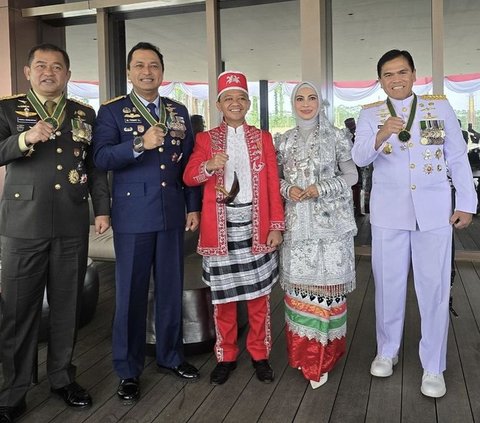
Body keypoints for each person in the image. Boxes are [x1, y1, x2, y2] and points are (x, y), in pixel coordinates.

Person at [352, 49, 477, 398]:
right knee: (388, 285)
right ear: (380, 80)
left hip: (434, 211)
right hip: (389, 214)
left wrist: (466, 203)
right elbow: (359, 157)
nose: (396, 79)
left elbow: (455, 155)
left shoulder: (439, 108)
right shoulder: (370, 114)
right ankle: (387, 350)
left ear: (413, 74)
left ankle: (433, 366)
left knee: (434, 289)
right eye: (388, 74)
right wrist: (380, 136)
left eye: (402, 72)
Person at [0, 43, 110, 421]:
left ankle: (62, 377)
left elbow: (94, 168)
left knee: (67, 305)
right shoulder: (8, 109)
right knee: (18, 309)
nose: (50, 72)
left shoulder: (83, 113)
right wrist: (24, 139)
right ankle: (14, 389)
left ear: (67, 74)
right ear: (28, 71)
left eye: (58, 66)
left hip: (71, 221)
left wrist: (103, 211)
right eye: (41, 65)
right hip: (23, 223)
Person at [93, 42, 202, 404]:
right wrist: (139, 142)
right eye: (139, 65)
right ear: (129, 72)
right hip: (133, 215)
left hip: (171, 213)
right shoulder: (112, 111)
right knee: (130, 294)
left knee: (170, 289)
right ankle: (128, 369)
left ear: (162, 71)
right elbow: (102, 157)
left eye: (153, 65)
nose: (147, 71)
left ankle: (171, 357)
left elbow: (186, 165)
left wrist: (192, 205)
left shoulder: (178, 110)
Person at [183, 71, 285, 385]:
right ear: (219, 104)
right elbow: (188, 177)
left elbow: (271, 182)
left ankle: (259, 354)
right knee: (223, 301)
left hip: (256, 227)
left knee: (258, 299)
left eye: (241, 97)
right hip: (220, 230)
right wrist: (208, 166)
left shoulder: (262, 137)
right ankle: (225, 355)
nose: (235, 103)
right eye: (228, 98)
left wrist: (276, 225)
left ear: (249, 103)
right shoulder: (205, 139)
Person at [275, 82, 357, 389]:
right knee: (300, 294)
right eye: (300, 98)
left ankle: (325, 359)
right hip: (298, 227)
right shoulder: (283, 141)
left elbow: (352, 175)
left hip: (332, 228)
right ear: (293, 103)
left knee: (329, 293)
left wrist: (322, 188)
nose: (306, 103)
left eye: (312, 98)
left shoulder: (337, 136)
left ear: (320, 103)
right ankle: (304, 358)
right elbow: (278, 179)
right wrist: (288, 189)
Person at [344, 117, 364, 216]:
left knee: (357, 188)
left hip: (355, 164)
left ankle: (357, 210)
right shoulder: (347, 137)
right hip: (351, 165)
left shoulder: (353, 136)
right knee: (355, 187)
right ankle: (356, 211)